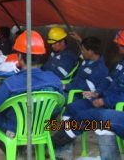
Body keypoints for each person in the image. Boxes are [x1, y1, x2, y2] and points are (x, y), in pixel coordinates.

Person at [0, 30, 63, 152]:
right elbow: (59, 105)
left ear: (19, 57)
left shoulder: (11, 83)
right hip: (42, 127)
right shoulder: (54, 79)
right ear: (40, 55)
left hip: (15, 128)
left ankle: (15, 151)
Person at [52, 30, 124, 160]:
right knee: (72, 108)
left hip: (114, 106)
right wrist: (97, 92)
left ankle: (54, 142)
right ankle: (64, 150)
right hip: (101, 98)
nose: (117, 47)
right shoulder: (121, 62)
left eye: (120, 45)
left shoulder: (100, 66)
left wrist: (104, 101)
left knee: (89, 117)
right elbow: (109, 79)